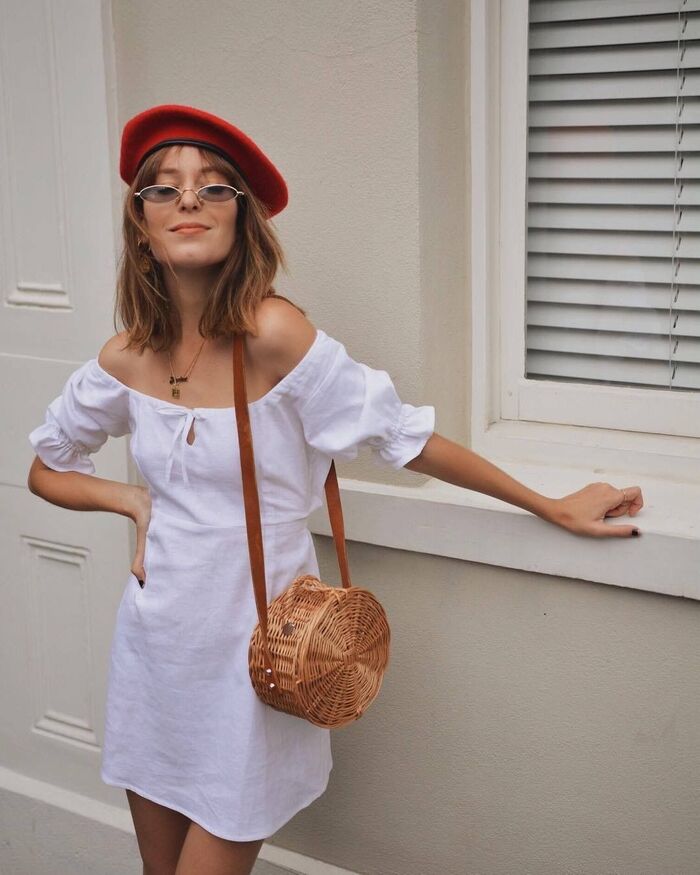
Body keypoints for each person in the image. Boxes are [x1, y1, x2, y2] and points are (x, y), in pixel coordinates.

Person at [26, 104, 644, 875]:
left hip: (256, 659)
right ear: (140, 222)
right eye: (165, 187)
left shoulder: (273, 334)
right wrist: (128, 500)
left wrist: (548, 504)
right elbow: (45, 466)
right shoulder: (125, 356)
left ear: (241, 220)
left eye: (215, 188)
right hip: (157, 657)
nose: (188, 199)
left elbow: (404, 439)